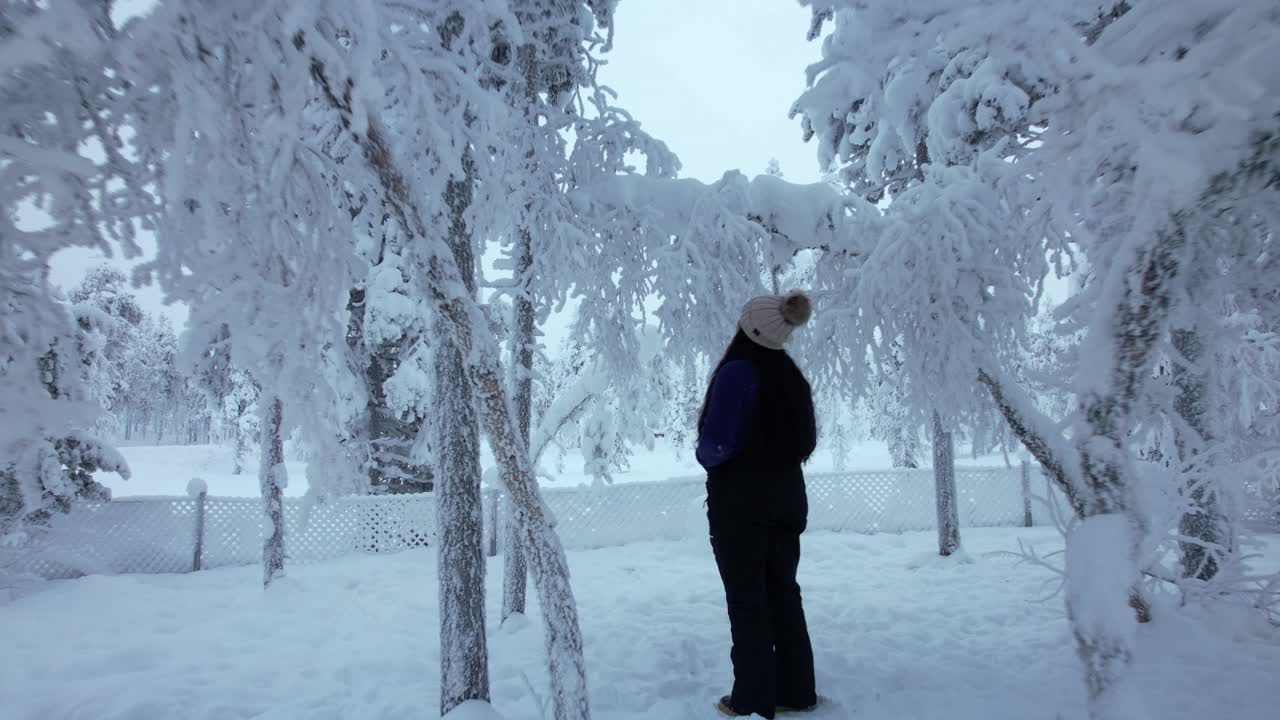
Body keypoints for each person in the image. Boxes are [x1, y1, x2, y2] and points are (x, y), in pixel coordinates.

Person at [697, 291, 819, 718]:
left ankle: (751, 697)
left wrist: (705, 454)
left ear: (749, 328)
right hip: (789, 496)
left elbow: (716, 446)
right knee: (784, 591)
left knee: (747, 598)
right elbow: (805, 442)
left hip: (741, 503)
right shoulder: (790, 378)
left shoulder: (737, 373)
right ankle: (797, 689)